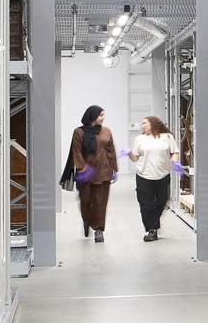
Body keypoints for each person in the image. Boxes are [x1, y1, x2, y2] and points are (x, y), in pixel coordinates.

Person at [71, 104, 118, 244]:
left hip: (103, 172)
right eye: (101, 115)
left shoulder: (106, 132)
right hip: (85, 173)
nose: (103, 118)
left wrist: (114, 169)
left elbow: (111, 151)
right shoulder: (79, 132)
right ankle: (87, 220)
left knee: (100, 202)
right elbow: (76, 151)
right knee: (85, 201)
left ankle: (99, 230)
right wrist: (82, 168)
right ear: (92, 116)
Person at [129, 115, 178, 241]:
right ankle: (152, 230)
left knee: (162, 201)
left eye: (145, 123)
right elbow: (135, 158)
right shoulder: (139, 139)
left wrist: (175, 163)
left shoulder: (167, 137)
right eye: (141, 124)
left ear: (154, 123)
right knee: (146, 204)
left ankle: (153, 224)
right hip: (144, 175)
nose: (142, 125)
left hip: (162, 175)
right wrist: (129, 154)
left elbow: (174, 152)